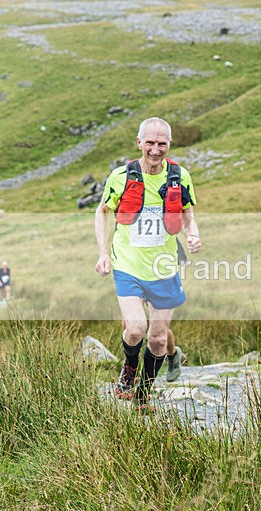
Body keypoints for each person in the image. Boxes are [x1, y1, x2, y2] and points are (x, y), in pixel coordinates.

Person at [95, 117, 200, 406]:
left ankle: (144, 392)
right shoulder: (121, 176)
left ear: (169, 144)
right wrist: (103, 253)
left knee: (157, 339)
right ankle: (129, 370)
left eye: (162, 143)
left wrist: (193, 235)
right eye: (150, 143)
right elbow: (102, 211)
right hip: (127, 265)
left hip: (164, 267)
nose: (155, 150)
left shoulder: (179, 176)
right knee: (136, 328)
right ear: (139, 142)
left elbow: (188, 212)